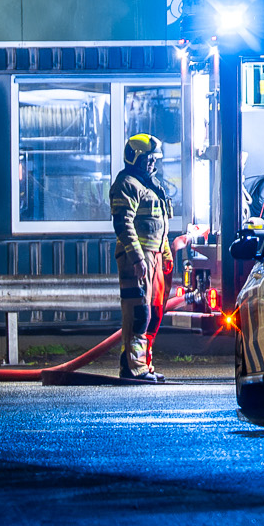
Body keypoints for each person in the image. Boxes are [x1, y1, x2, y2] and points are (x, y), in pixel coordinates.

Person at [109, 133, 173, 382]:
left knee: (154, 314)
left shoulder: (151, 186)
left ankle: (144, 364)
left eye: (154, 159)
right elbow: (123, 224)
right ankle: (132, 367)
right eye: (148, 159)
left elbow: (159, 224)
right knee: (139, 314)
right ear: (134, 158)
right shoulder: (126, 184)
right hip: (136, 260)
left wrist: (165, 254)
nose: (152, 163)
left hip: (153, 258)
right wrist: (137, 259)